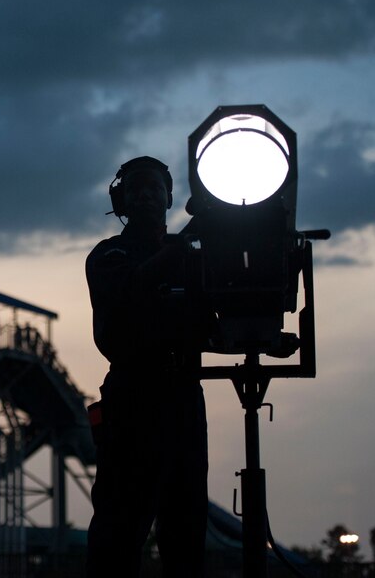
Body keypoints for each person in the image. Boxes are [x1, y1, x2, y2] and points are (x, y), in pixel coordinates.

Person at [85, 156, 210, 577]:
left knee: (186, 527)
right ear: (120, 199)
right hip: (132, 400)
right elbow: (133, 287)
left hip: (184, 398)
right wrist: (189, 239)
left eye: (153, 188)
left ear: (169, 197)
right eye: (135, 188)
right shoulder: (108, 255)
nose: (144, 195)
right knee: (118, 530)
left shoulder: (192, 257)